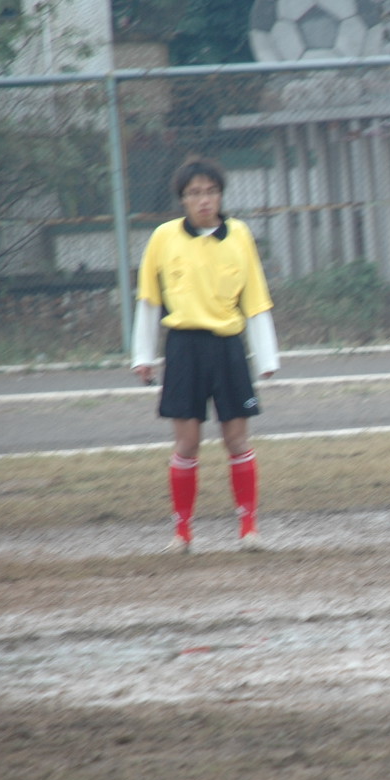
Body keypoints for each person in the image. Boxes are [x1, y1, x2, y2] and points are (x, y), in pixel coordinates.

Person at [130, 156, 280, 554]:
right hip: (183, 348)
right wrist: (143, 356)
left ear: (221, 195)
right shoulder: (164, 238)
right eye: (194, 193)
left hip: (227, 347)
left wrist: (266, 358)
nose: (204, 200)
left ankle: (249, 529)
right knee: (187, 443)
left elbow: (255, 298)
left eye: (211, 191)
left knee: (237, 439)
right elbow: (149, 299)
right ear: (182, 199)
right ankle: (182, 534)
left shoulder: (239, 235)